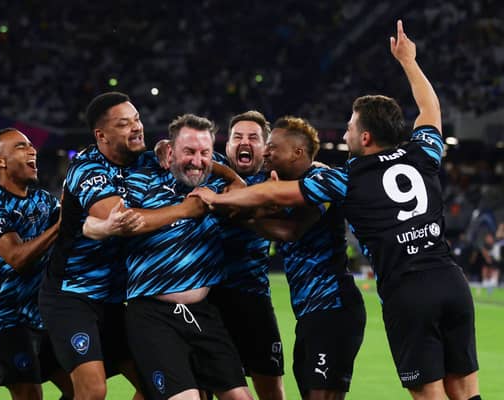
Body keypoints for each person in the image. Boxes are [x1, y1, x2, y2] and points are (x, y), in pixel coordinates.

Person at [190, 21, 480, 400]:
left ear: (364, 137)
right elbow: (430, 109)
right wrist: (409, 62)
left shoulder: (346, 178)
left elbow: (276, 196)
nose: (343, 135)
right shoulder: (422, 153)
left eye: (348, 127)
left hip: (408, 292)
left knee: (431, 395)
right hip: (451, 282)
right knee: (465, 391)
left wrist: (219, 199)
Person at [39, 92, 206, 400]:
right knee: (92, 390)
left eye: (137, 119)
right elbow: (124, 220)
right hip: (72, 296)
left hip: (117, 300)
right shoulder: (87, 169)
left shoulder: (147, 158)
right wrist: (185, 209)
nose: (137, 127)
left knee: (156, 386)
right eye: (124, 123)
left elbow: (202, 159)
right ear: (101, 135)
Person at [85, 114, 253, 400]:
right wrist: (185, 210)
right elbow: (122, 219)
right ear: (170, 151)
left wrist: (222, 173)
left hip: (203, 313)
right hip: (153, 314)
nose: (197, 161)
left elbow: (241, 191)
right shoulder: (141, 176)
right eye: (188, 151)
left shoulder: (211, 181)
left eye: (205, 153)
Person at [251, 116, 365, 399]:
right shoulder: (283, 184)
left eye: (273, 147)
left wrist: (236, 217)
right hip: (309, 314)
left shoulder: (321, 180)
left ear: (297, 152)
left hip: (333, 308)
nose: (265, 152)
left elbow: (291, 231)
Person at [0, 128, 73, 400]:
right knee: (30, 396)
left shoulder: (44, 201)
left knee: (84, 390)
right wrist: (63, 223)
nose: (33, 151)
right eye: (21, 146)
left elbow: (73, 236)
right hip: (6, 320)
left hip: (43, 317)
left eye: (32, 146)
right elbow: (17, 258)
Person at [207, 111, 285, 400]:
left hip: (253, 298)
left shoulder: (275, 179)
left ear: (265, 148)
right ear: (227, 145)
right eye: (237, 137)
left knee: (272, 389)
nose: (244, 142)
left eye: (253, 138)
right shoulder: (207, 174)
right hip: (208, 300)